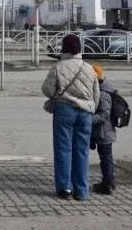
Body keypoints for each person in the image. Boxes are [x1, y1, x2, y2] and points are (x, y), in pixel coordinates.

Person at [41, 34, 99, 201]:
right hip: (85, 112)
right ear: (80, 48)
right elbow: (96, 94)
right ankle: (81, 191)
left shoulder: (58, 67)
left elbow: (47, 89)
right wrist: (90, 108)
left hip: (64, 110)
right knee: (82, 151)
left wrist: (58, 95)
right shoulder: (88, 68)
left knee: (63, 149)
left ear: (64, 48)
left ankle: (65, 188)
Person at [91, 64, 117, 195]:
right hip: (104, 131)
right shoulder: (104, 89)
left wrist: (88, 119)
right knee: (106, 157)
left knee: (106, 158)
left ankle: (108, 184)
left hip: (104, 132)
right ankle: (108, 182)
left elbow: (104, 114)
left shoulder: (103, 93)